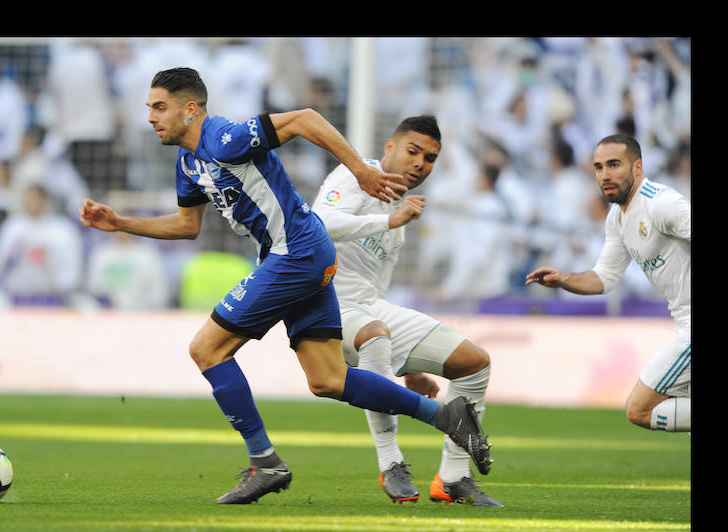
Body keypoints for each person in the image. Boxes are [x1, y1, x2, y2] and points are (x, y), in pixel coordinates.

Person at [79, 67, 492, 504]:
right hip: (298, 254)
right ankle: (446, 416)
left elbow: (304, 118)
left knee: (207, 349)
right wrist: (121, 223)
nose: (150, 117)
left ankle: (265, 462)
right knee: (328, 379)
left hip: (295, 251)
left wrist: (360, 171)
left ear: (190, 109)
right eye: (149, 108)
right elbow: (186, 225)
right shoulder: (188, 163)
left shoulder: (224, 138)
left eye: (160, 107)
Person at [312, 115, 502, 507]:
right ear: (390, 147)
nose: (419, 163)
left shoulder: (400, 210)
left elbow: (376, 289)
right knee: (376, 336)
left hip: (369, 307)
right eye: (413, 151)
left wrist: (409, 366)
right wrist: (387, 219)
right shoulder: (357, 174)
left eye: (429, 158)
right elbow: (320, 222)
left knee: (474, 362)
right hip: (327, 306)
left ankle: (453, 478)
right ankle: (391, 462)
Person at [526, 134, 690, 432]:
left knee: (639, 409)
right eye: (599, 167)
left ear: (637, 167)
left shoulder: (661, 204)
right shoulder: (617, 218)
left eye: (614, 165)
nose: (605, 175)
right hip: (682, 322)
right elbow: (605, 277)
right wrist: (564, 279)